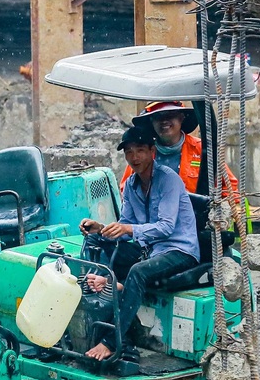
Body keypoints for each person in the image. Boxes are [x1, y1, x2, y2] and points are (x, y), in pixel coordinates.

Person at [79, 126, 200, 361]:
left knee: (138, 272)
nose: (134, 158)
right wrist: (103, 229)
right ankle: (98, 297)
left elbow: (165, 227)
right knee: (95, 240)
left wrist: (127, 229)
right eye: (129, 152)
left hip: (179, 250)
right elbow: (126, 226)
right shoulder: (133, 185)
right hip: (152, 249)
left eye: (140, 151)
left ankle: (112, 341)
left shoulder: (169, 180)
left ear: (152, 152)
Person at [119, 101, 237, 195]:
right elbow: (126, 189)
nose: (164, 121)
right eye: (158, 116)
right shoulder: (144, 152)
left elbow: (231, 188)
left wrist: (216, 212)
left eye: (170, 115)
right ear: (151, 122)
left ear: (181, 118)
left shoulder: (201, 149)